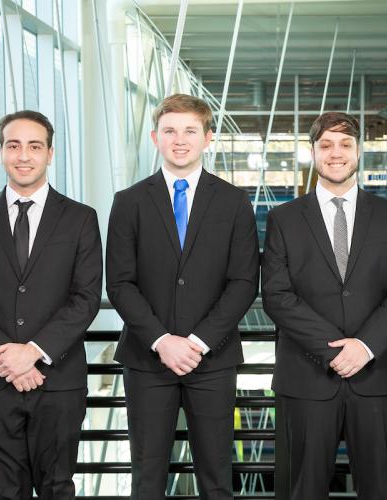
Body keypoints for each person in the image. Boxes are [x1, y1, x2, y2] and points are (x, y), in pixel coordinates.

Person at [106, 94, 259, 499]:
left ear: (208, 138)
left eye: (190, 130)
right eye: (170, 131)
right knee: (147, 478)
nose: (180, 139)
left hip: (212, 359)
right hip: (146, 359)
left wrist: (197, 342)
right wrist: (161, 340)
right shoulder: (129, 202)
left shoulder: (234, 202)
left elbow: (244, 282)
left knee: (216, 478)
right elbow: (120, 283)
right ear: (156, 138)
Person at [261, 112, 387, 500]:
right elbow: (277, 296)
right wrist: (335, 349)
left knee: (379, 489)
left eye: (345, 144)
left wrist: (363, 347)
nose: (336, 153)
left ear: (359, 151)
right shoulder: (283, 218)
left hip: (375, 375)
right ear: (313, 152)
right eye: (326, 145)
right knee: (304, 489)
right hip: (307, 376)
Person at [0, 110, 103, 499]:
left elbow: (85, 298)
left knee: (57, 488)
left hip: (59, 382)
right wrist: (6, 357)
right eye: (13, 145)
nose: (23, 155)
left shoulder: (81, 219)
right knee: (5, 489)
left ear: (50, 154)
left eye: (34, 146)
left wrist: (33, 353)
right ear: (1, 152)